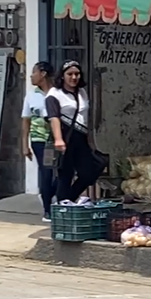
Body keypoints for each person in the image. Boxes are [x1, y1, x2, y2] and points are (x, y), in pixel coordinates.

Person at [44, 61, 105, 203]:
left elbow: (85, 117)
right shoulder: (54, 94)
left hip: (81, 137)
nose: (73, 77)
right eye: (69, 74)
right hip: (64, 137)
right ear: (62, 76)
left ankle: (68, 199)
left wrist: (91, 141)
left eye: (76, 74)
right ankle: (62, 206)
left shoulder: (81, 92)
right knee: (65, 174)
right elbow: (54, 117)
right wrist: (59, 139)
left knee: (91, 170)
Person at [21, 61, 57, 222]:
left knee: (63, 171)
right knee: (46, 171)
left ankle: (47, 193)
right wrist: (24, 144)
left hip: (58, 138)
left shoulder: (57, 93)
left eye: (33, 72)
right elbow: (26, 120)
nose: (31, 76)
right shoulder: (31, 95)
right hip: (40, 140)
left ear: (43, 74)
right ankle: (47, 210)